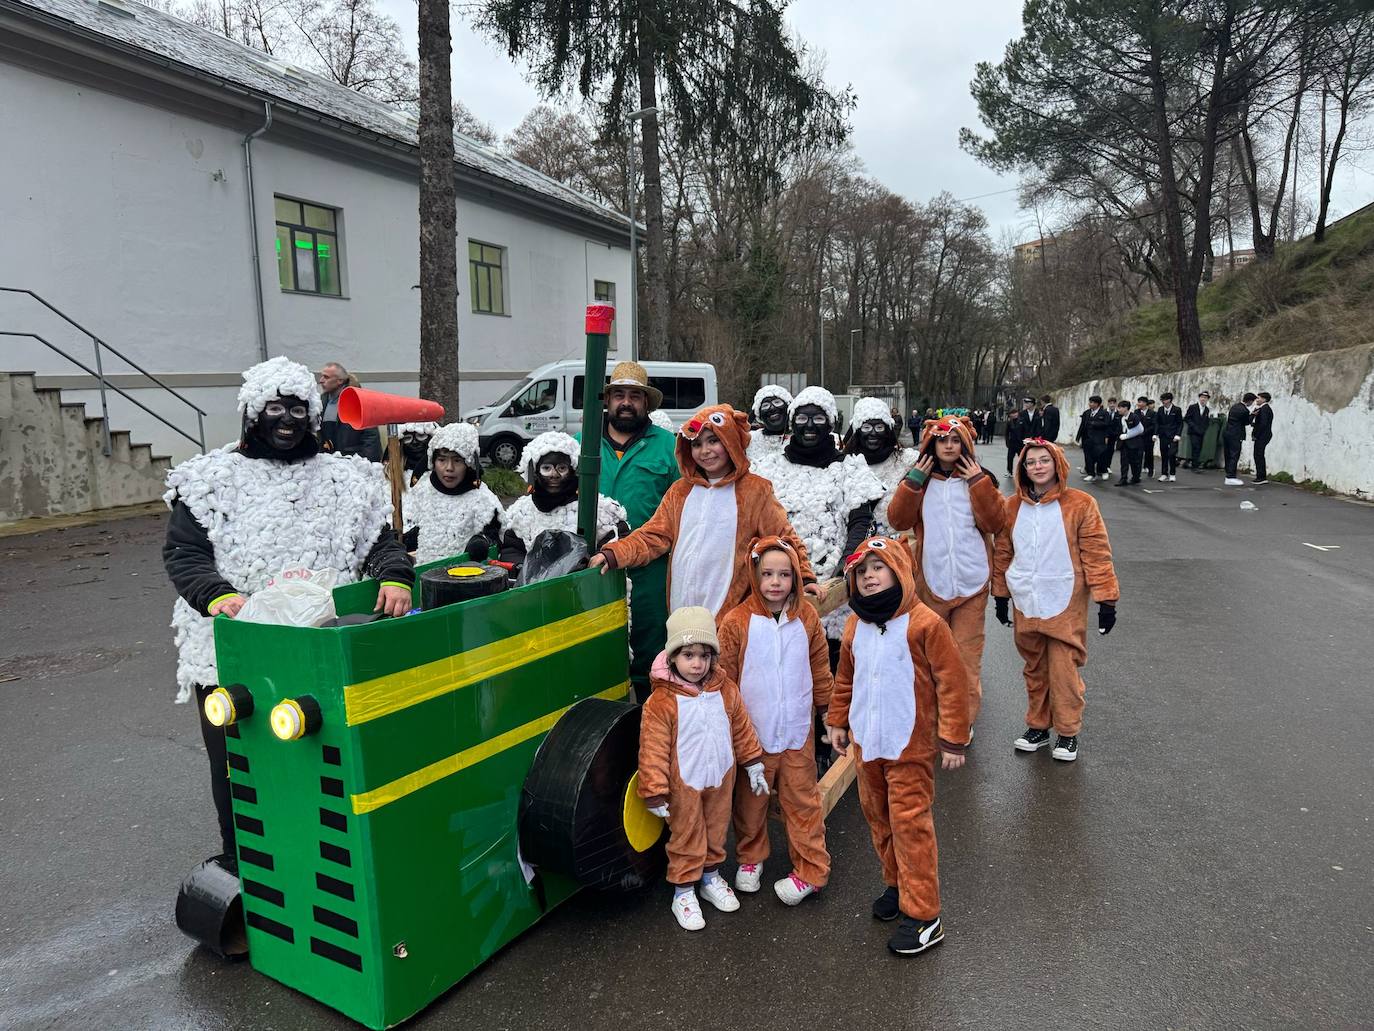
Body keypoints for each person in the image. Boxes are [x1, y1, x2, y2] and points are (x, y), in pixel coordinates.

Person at [162, 356, 414, 862]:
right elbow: (185, 553)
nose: (286, 419)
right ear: (253, 412)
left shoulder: (346, 480)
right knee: (241, 767)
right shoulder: (209, 479)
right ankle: (247, 865)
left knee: (326, 763)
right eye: (274, 407)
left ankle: (329, 865)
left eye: (297, 408)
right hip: (233, 651)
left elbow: (379, 543)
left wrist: (395, 575)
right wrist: (216, 594)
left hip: (322, 649)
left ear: (314, 416)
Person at [827, 536, 970, 956]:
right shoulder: (856, 623)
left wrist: (953, 738)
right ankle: (896, 884)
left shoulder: (925, 623)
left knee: (910, 825)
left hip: (909, 745)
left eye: (878, 567)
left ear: (898, 570)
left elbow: (952, 682)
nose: (869, 577)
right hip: (867, 744)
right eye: (862, 571)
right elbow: (846, 678)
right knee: (880, 820)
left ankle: (925, 915)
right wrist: (837, 721)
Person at [590, 404, 820, 619]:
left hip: (730, 613)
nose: (705, 451)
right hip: (682, 611)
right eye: (697, 444)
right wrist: (615, 553)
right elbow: (653, 535)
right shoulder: (680, 491)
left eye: (713, 441)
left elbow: (784, 537)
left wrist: (805, 577)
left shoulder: (754, 491)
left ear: (730, 442)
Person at [717, 537, 832, 905]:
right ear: (754, 574)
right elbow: (725, 678)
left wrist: (829, 710)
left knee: (804, 803)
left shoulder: (808, 617)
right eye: (767, 574)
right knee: (751, 802)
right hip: (755, 736)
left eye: (784, 574)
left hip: (798, 733)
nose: (775, 582)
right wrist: (728, 725)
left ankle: (811, 870)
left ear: (796, 577)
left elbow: (820, 667)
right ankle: (751, 858)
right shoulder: (737, 622)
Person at [637, 606, 766, 931]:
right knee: (686, 835)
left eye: (704, 656)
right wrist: (654, 791)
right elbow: (651, 748)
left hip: (721, 777)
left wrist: (753, 762)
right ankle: (683, 891)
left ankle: (710, 878)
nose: (697, 664)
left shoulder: (725, 690)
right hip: (685, 784)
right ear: (673, 657)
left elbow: (741, 727)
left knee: (715, 830)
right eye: (689, 655)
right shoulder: (661, 702)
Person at [992, 439, 1119, 762]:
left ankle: (1067, 731)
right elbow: (1004, 552)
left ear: (1056, 464)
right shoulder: (1011, 507)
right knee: (1034, 669)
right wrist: (1001, 596)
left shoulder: (1081, 504)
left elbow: (1096, 553)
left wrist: (1106, 600)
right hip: (1026, 599)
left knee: (1063, 669)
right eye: (1030, 462)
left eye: (1043, 460)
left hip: (1064, 599)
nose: (1037, 467)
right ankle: (1038, 726)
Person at [886, 415, 1004, 733]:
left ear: (964, 443)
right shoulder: (919, 482)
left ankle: (959, 724)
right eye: (943, 440)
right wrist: (912, 482)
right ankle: (929, 717)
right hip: (931, 581)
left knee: (966, 658)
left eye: (955, 440)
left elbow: (996, 523)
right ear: (932, 444)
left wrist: (978, 481)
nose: (949, 446)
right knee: (931, 657)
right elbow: (898, 519)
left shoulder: (982, 478)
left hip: (972, 582)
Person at [580, 362, 679, 701]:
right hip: (593, 572)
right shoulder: (583, 443)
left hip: (650, 573)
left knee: (652, 656)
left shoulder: (669, 447)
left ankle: (649, 730)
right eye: (618, 394)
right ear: (607, 400)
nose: (626, 402)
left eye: (634, 396)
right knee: (597, 654)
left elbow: (683, 508)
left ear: (646, 403)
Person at [766, 387, 886, 655]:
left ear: (831, 423)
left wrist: (844, 569)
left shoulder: (850, 468)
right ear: (791, 421)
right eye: (802, 418)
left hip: (833, 595)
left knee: (831, 678)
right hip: (779, 588)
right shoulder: (769, 468)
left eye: (818, 419)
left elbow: (862, 522)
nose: (809, 426)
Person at [500, 431, 628, 570]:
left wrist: (589, 564)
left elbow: (620, 544)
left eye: (562, 468)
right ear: (534, 472)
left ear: (573, 469)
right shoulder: (521, 512)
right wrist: (523, 569)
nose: (554, 475)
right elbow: (511, 550)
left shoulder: (600, 509)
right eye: (546, 468)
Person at [401, 422, 506, 565]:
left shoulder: (482, 499)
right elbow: (423, 528)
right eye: (442, 460)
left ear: (469, 463)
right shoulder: (424, 491)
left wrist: (483, 541)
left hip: (465, 577)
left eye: (457, 460)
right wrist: (400, 541)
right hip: (425, 574)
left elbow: (497, 540)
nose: (449, 468)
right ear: (432, 460)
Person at [843, 396, 919, 535]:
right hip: (855, 547)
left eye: (879, 427)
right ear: (858, 430)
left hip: (895, 547)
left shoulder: (907, 461)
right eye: (866, 427)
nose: (873, 433)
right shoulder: (845, 464)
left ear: (887, 430)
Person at [317, 361, 382, 461]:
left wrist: (369, 466)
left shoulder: (359, 400)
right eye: (321, 376)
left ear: (340, 380)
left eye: (326, 377)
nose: (321, 380)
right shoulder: (321, 401)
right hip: (328, 464)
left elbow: (371, 437)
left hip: (353, 462)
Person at [747, 384, 794, 479]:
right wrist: (746, 423)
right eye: (765, 405)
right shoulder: (749, 439)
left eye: (777, 402)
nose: (772, 408)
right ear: (758, 414)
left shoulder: (800, 439)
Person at [1074, 395, 1113, 482]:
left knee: (1100, 456)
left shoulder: (1104, 413)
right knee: (1088, 457)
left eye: (1092, 402)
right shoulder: (1086, 413)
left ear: (1097, 404)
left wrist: (1095, 423)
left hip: (1099, 439)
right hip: (1087, 439)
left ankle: (1104, 471)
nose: (1090, 404)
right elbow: (1082, 426)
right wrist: (1078, 437)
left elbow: (1107, 425)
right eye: (1090, 402)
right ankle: (1091, 474)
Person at [1223, 392, 1256, 486]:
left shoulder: (1234, 406)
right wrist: (1253, 415)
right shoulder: (1244, 410)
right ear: (1250, 401)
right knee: (1234, 455)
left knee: (1228, 454)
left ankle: (1228, 473)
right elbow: (1246, 422)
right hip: (1236, 435)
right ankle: (1230, 476)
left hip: (1228, 432)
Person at [396, 421, 439, 489]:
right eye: (408, 438)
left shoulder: (442, 473)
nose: (414, 442)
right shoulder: (390, 474)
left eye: (421, 436)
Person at [1115, 399, 1145, 486]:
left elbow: (1140, 430)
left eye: (1120, 408)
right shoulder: (1120, 417)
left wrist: (1127, 435)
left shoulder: (1134, 417)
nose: (1118, 409)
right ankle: (1123, 479)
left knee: (1134, 462)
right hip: (1124, 444)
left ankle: (1136, 477)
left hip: (1134, 444)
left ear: (1125, 408)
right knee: (1124, 462)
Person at [1155, 392, 1183, 481]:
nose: (1163, 402)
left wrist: (1178, 435)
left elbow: (1180, 423)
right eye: (1162, 400)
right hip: (1163, 435)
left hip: (1173, 435)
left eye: (1165, 400)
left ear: (1169, 400)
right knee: (1164, 454)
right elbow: (1157, 423)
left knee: (1171, 454)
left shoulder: (1177, 410)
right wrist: (1155, 434)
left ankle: (1172, 473)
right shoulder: (1160, 410)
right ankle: (1164, 473)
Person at [1184, 390, 1212, 471]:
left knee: (1199, 448)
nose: (1203, 399)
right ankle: (1195, 466)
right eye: (1202, 397)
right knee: (1195, 447)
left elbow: (1206, 420)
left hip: (1201, 432)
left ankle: (1195, 464)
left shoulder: (1206, 409)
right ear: (1199, 398)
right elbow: (1187, 418)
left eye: (1205, 398)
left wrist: (1204, 429)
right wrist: (1193, 426)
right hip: (1193, 431)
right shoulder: (1193, 407)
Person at [1004, 398, 1033, 475]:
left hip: (1020, 443)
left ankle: (1024, 472)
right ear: (1010, 415)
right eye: (1012, 414)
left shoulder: (1022, 421)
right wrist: (1007, 442)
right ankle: (1009, 471)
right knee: (1010, 458)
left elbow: (1026, 431)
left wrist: (1025, 441)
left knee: (1022, 458)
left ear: (1017, 413)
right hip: (1012, 443)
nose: (1014, 415)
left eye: (1015, 413)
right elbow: (1007, 433)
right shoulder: (1009, 422)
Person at [1251, 392, 1273, 484]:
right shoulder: (1265, 409)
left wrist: (1256, 434)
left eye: (1258, 398)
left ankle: (1261, 477)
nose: (1257, 400)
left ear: (1264, 399)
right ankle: (1261, 476)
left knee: (1258, 455)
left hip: (1262, 435)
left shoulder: (1264, 409)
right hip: (1264, 434)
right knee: (1259, 455)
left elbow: (1262, 424)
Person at [1140, 398, 1158, 478]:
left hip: (1148, 437)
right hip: (1139, 437)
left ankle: (1151, 469)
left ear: (1145, 403)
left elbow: (1154, 425)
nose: (1139, 403)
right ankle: (1137, 472)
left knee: (1149, 454)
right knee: (1138, 454)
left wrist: (1153, 434)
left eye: (1141, 402)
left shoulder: (1153, 413)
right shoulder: (1136, 412)